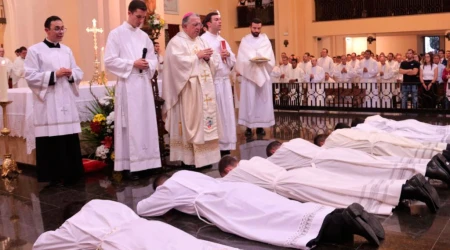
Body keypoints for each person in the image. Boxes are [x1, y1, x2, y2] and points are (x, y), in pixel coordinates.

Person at [138, 170, 385, 248]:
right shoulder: (184, 173)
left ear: (160, 185)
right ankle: (341, 217)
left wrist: (160, 194)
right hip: (238, 189)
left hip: (223, 204)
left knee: (274, 220)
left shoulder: (167, 189)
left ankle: (341, 223)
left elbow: (144, 209)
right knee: (283, 207)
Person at [220, 156, 440, 214]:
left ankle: (407, 190)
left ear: (229, 170)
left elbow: (223, 185)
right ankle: (407, 187)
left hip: (292, 184)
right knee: (349, 184)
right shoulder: (258, 161)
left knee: (344, 194)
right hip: (299, 174)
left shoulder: (237, 173)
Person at [33, 200, 237, 250]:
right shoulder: (104, 204)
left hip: (129, 243)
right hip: (153, 229)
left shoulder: (74, 226)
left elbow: (41, 245)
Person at [24, 16, 84, 187]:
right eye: (57, 28)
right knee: (51, 139)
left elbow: (78, 71)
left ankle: (72, 174)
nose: (60, 32)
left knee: (68, 138)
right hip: (49, 102)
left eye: (62, 28)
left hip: (65, 99)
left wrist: (71, 73)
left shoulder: (67, 50)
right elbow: (30, 75)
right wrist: (53, 75)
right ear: (46, 30)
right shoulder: (35, 51)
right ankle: (53, 176)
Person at [105, 0, 160, 180]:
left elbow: (153, 60)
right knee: (131, 124)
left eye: (143, 18)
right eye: (138, 17)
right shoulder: (116, 34)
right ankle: (130, 166)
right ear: (129, 13)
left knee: (147, 123)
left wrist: (148, 64)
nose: (140, 21)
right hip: (128, 85)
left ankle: (148, 162)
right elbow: (110, 61)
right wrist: (132, 63)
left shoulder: (144, 37)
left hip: (143, 85)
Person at [162, 12, 221, 168]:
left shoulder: (201, 41)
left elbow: (213, 61)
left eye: (199, 24)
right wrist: (197, 57)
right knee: (191, 124)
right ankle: (189, 160)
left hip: (204, 91)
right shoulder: (176, 42)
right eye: (195, 25)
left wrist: (208, 58)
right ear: (184, 26)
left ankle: (205, 158)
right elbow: (176, 64)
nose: (198, 28)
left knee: (205, 125)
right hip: (188, 92)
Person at [201, 12, 237, 156]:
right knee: (216, 113)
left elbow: (233, 59)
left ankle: (226, 143)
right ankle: (215, 144)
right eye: (216, 19)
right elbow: (204, 59)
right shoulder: (203, 40)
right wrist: (217, 56)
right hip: (213, 82)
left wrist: (228, 55)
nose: (220, 21)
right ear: (208, 24)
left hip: (224, 82)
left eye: (220, 19)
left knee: (226, 113)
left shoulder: (223, 40)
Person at [236, 18, 275, 137]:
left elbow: (269, 56)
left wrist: (260, 58)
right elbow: (242, 57)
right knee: (249, 101)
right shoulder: (245, 40)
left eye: (259, 28)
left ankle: (260, 127)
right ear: (250, 27)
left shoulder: (265, 39)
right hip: (249, 76)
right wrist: (253, 58)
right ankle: (248, 127)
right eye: (254, 28)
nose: (256, 30)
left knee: (261, 102)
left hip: (263, 73)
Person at [322, 127, 447, 159]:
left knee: (410, 151)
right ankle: (443, 149)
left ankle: (443, 153)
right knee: (413, 145)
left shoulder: (328, 146)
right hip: (378, 139)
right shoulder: (338, 132)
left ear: (321, 142)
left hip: (376, 146)